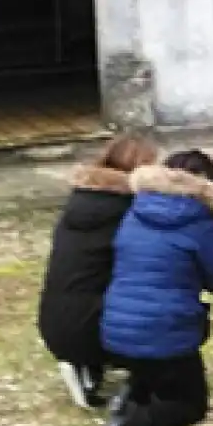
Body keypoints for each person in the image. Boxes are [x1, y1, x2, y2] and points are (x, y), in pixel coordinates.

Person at [91, 150, 213, 426]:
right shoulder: (200, 221)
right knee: (190, 405)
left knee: (155, 366)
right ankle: (129, 422)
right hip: (166, 335)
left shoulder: (135, 211)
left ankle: (135, 390)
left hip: (115, 330)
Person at [36, 132, 161, 410]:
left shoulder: (81, 200)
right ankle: (98, 361)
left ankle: (85, 365)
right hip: (88, 325)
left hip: (54, 319)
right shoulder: (125, 209)